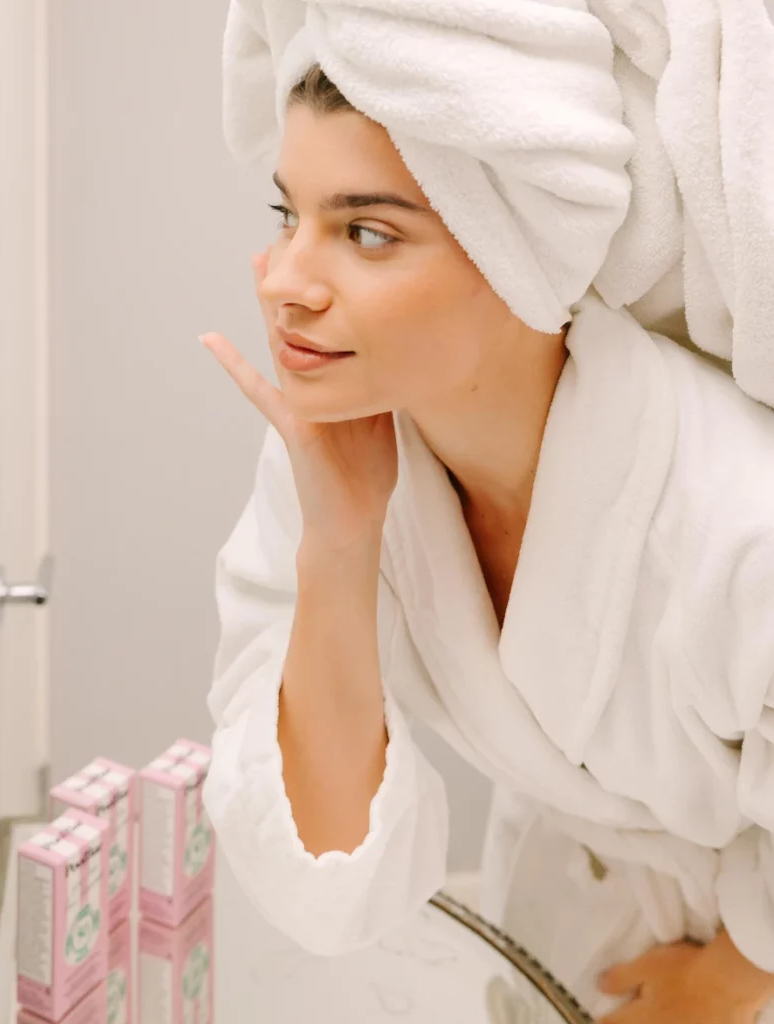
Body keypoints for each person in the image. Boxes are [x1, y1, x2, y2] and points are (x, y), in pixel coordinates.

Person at [200, 65, 774, 1023]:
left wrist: (729, 978)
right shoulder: (333, 455)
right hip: (564, 926)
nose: (287, 282)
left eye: (365, 232)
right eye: (285, 214)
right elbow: (327, 881)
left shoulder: (731, 508)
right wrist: (340, 542)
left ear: (521, 249)